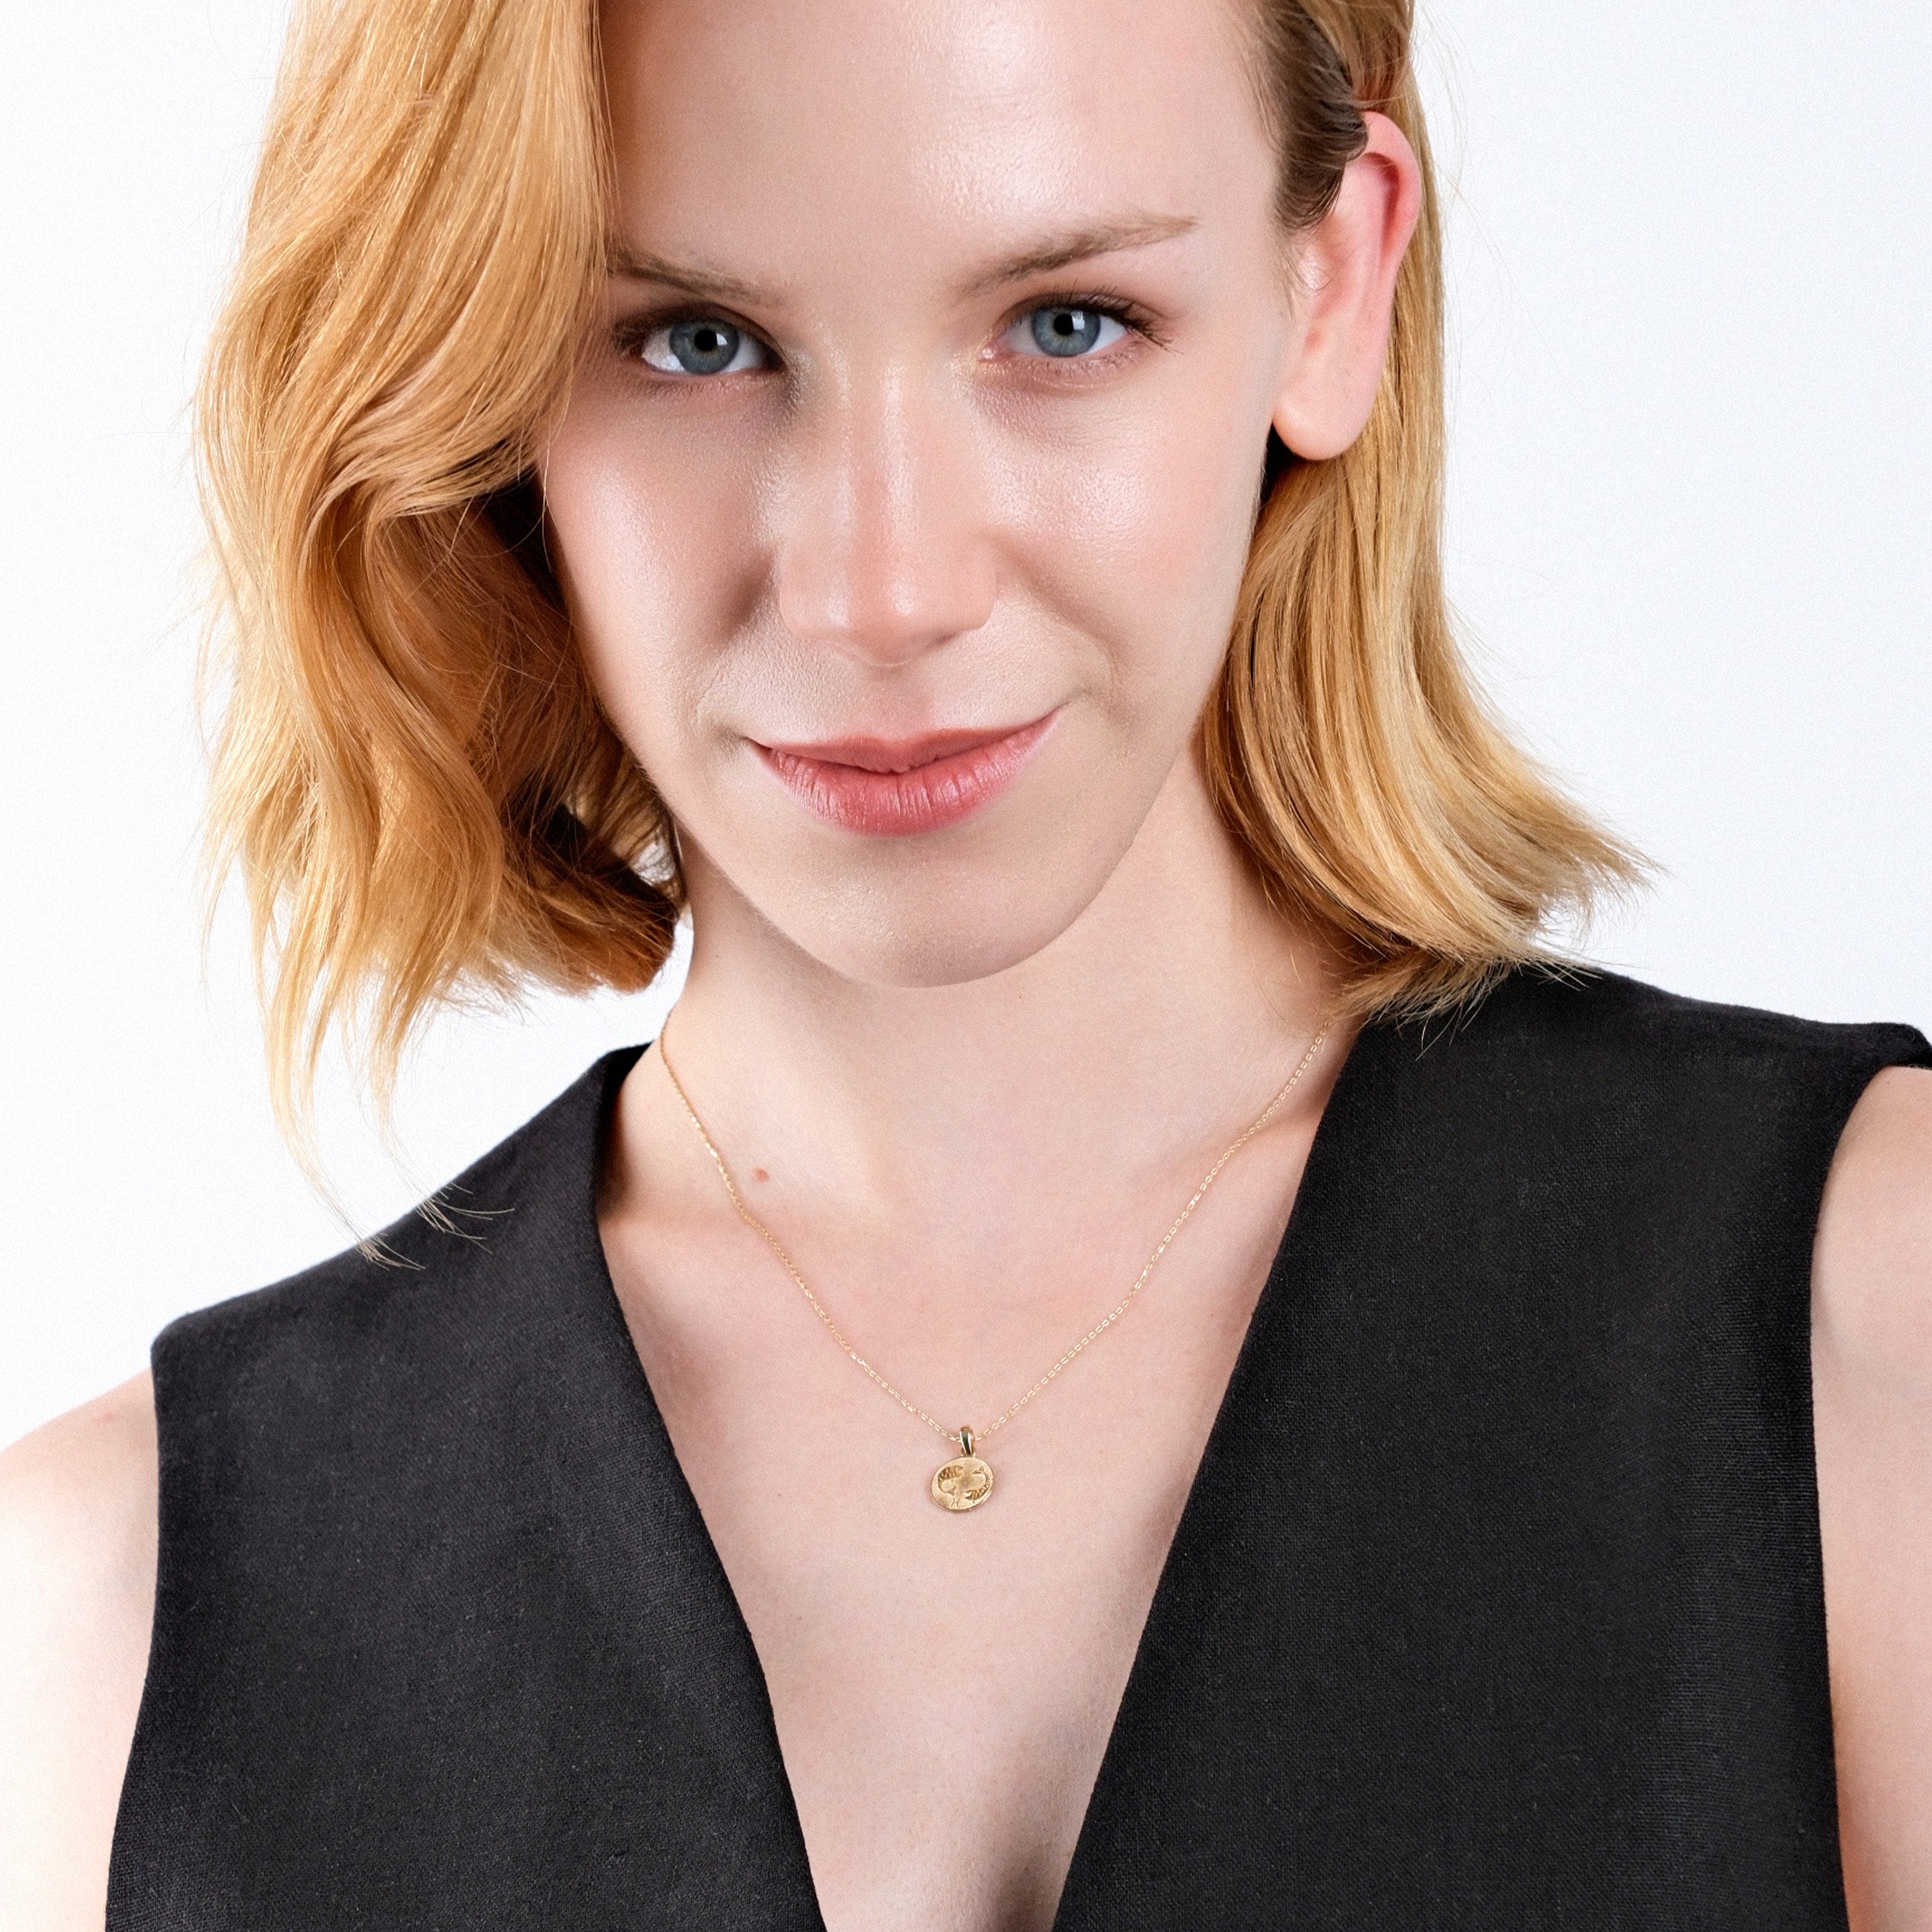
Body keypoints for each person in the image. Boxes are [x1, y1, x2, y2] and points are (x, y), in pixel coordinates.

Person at [2, 0, 1927, 1924]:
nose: (883, 585)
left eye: (1064, 323)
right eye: (695, 343)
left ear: (1332, 281)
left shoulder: (1864, 1323)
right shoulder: (109, 1619)